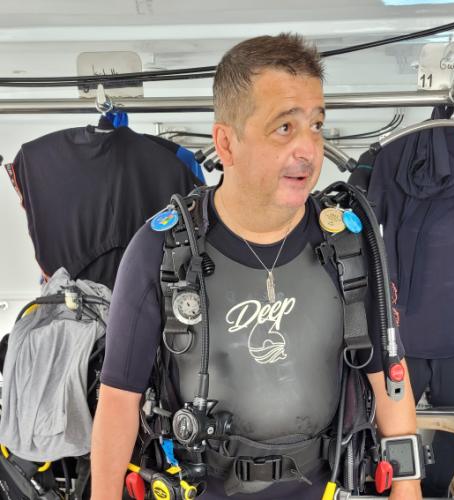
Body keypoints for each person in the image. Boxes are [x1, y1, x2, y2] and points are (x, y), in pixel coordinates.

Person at [91, 33, 422, 500]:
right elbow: (118, 402)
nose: (309, 149)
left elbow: (390, 381)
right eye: (284, 127)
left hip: (325, 487)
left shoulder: (349, 247)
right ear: (226, 143)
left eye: (316, 125)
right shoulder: (159, 250)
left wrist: (408, 489)